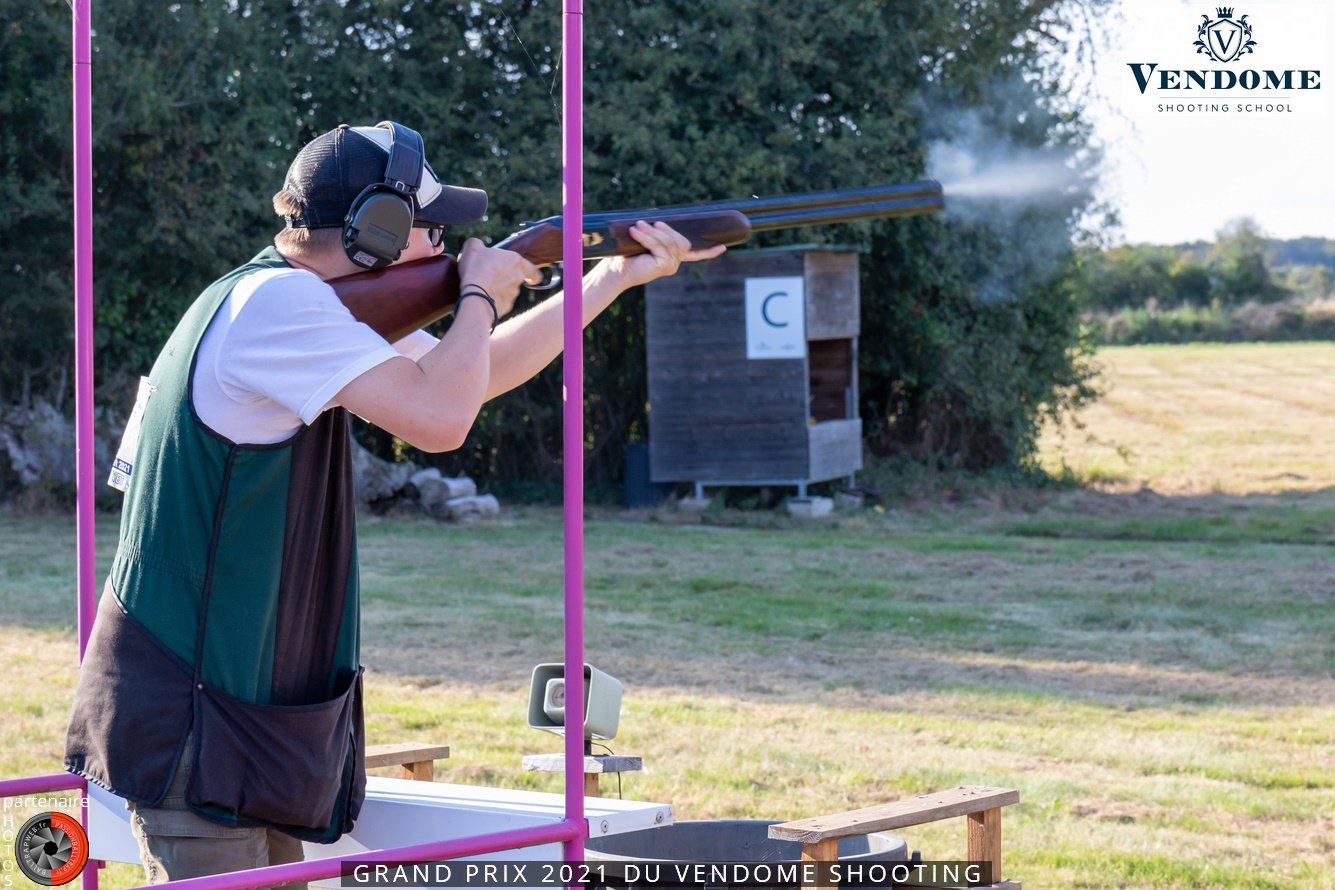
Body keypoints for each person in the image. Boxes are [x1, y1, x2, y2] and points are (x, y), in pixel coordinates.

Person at [63, 121, 724, 886]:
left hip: (234, 717)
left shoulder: (283, 300)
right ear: (375, 229)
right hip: (197, 717)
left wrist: (607, 280)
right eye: (432, 227)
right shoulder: (278, 307)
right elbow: (441, 421)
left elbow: (471, 376)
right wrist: (477, 294)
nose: (448, 244)